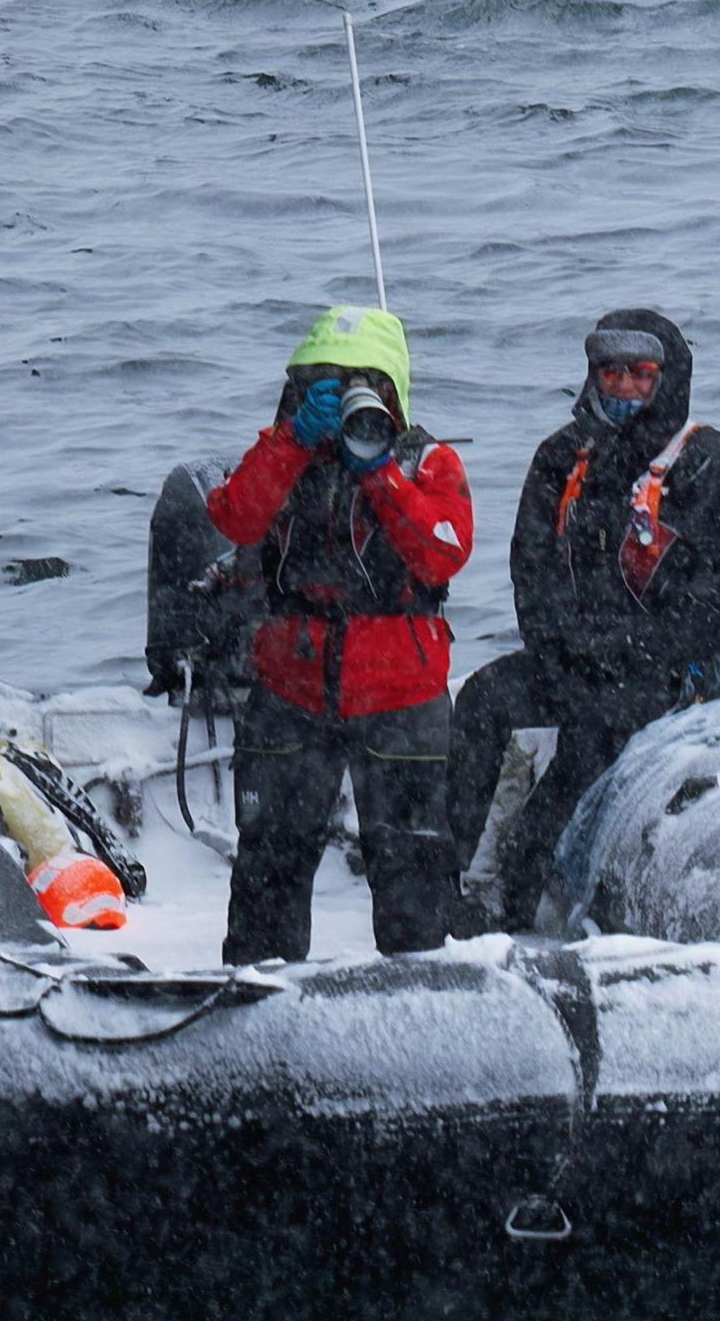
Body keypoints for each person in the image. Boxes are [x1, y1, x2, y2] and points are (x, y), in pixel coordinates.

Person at [144, 300, 476, 962]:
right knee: (270, 859)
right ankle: (260, 995)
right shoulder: (280, 452)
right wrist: (296, 438)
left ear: (392, 391)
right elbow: (235, 518)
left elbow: (443, 551)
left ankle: (423, 997)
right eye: (327, 381)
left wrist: (376, 468)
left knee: (411, 866)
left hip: (401, 692)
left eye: (362, 382)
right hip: (292, 687)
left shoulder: (427, 462)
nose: (349, 395)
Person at [444, 306, 720, 924]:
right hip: (579, 661)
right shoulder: (561, 459)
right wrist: (563, 650)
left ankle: (521, 893)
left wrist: (624, 652)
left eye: (640, 373)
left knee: (592, 739)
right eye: (609, 372)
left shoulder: (717, 468)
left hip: (688, 669)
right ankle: (445, 880)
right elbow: (530, 573)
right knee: (485, 700)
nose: (622, 387)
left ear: (667, 379)